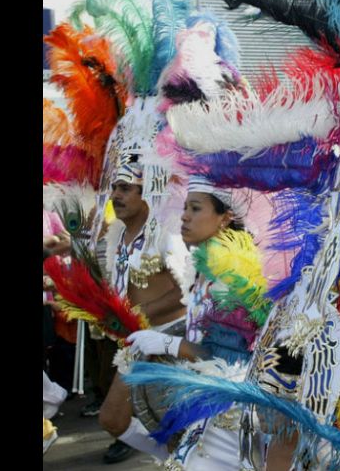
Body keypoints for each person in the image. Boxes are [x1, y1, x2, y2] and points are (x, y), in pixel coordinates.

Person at [126, 176, 268, 469]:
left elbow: (230, 361)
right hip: (206, 400)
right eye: (185, 207)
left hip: (229, 410)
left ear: (225, 218)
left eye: (196, 208)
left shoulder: (232, 273)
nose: (184, 216)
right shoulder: (204, 266)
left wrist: (169, 343)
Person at [98, 158, 188, 464]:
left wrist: (139, 312)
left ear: (146, 191)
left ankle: (181, 459)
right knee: (112, 419)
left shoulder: (167, 234)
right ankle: (173, 458)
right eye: (114, 188)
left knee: (180, 428)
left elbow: (189, 291)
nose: (115, 195)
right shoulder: (115, 238)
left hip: (172, 344)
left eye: (125, 188)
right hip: (136, 344)